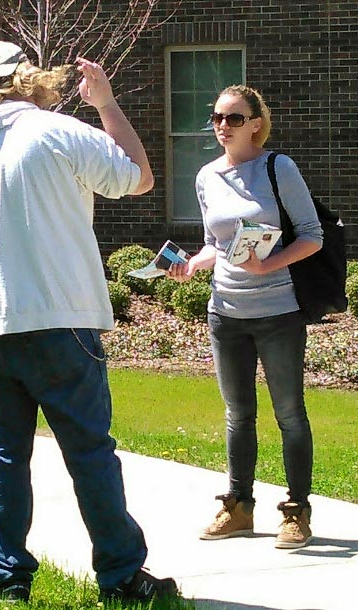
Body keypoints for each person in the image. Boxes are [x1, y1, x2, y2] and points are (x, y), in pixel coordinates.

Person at [0, 41, 178, 603]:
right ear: (29, 79)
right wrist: (106, 104)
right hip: (63, 320)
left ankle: (7, 579)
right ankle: (123, 577)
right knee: (88, 453)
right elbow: (140, 177)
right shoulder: (58, 131)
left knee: (2, 457)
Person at [168, 85, 322, 549]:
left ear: (256, 123)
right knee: (237, 414)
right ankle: (238, 507)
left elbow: (312, 236)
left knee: (290, 413)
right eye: (216, 117)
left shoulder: (278, 168)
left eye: (234, 118)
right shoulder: (206, 176)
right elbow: (217, 245)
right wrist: (192, 264)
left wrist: (266, 265)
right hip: (226, 313)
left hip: (277, 310)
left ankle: (296, 511)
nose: (222, 126)